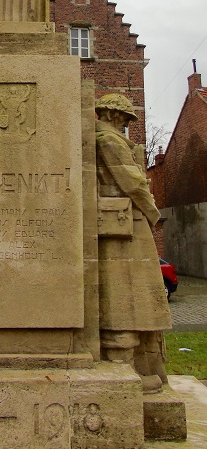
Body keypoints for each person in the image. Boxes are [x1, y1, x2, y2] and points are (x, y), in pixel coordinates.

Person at [95, 94, 171, 392]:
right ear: (114, 115)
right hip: (124, 222)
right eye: (126, 119)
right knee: (126, 289)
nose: (127, 125)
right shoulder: (109, 141)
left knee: (133, 289)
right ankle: (125, 364)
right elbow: (132, 182)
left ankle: (140, 361)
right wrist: (153, 210)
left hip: (125, 220)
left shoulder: (111, 140)